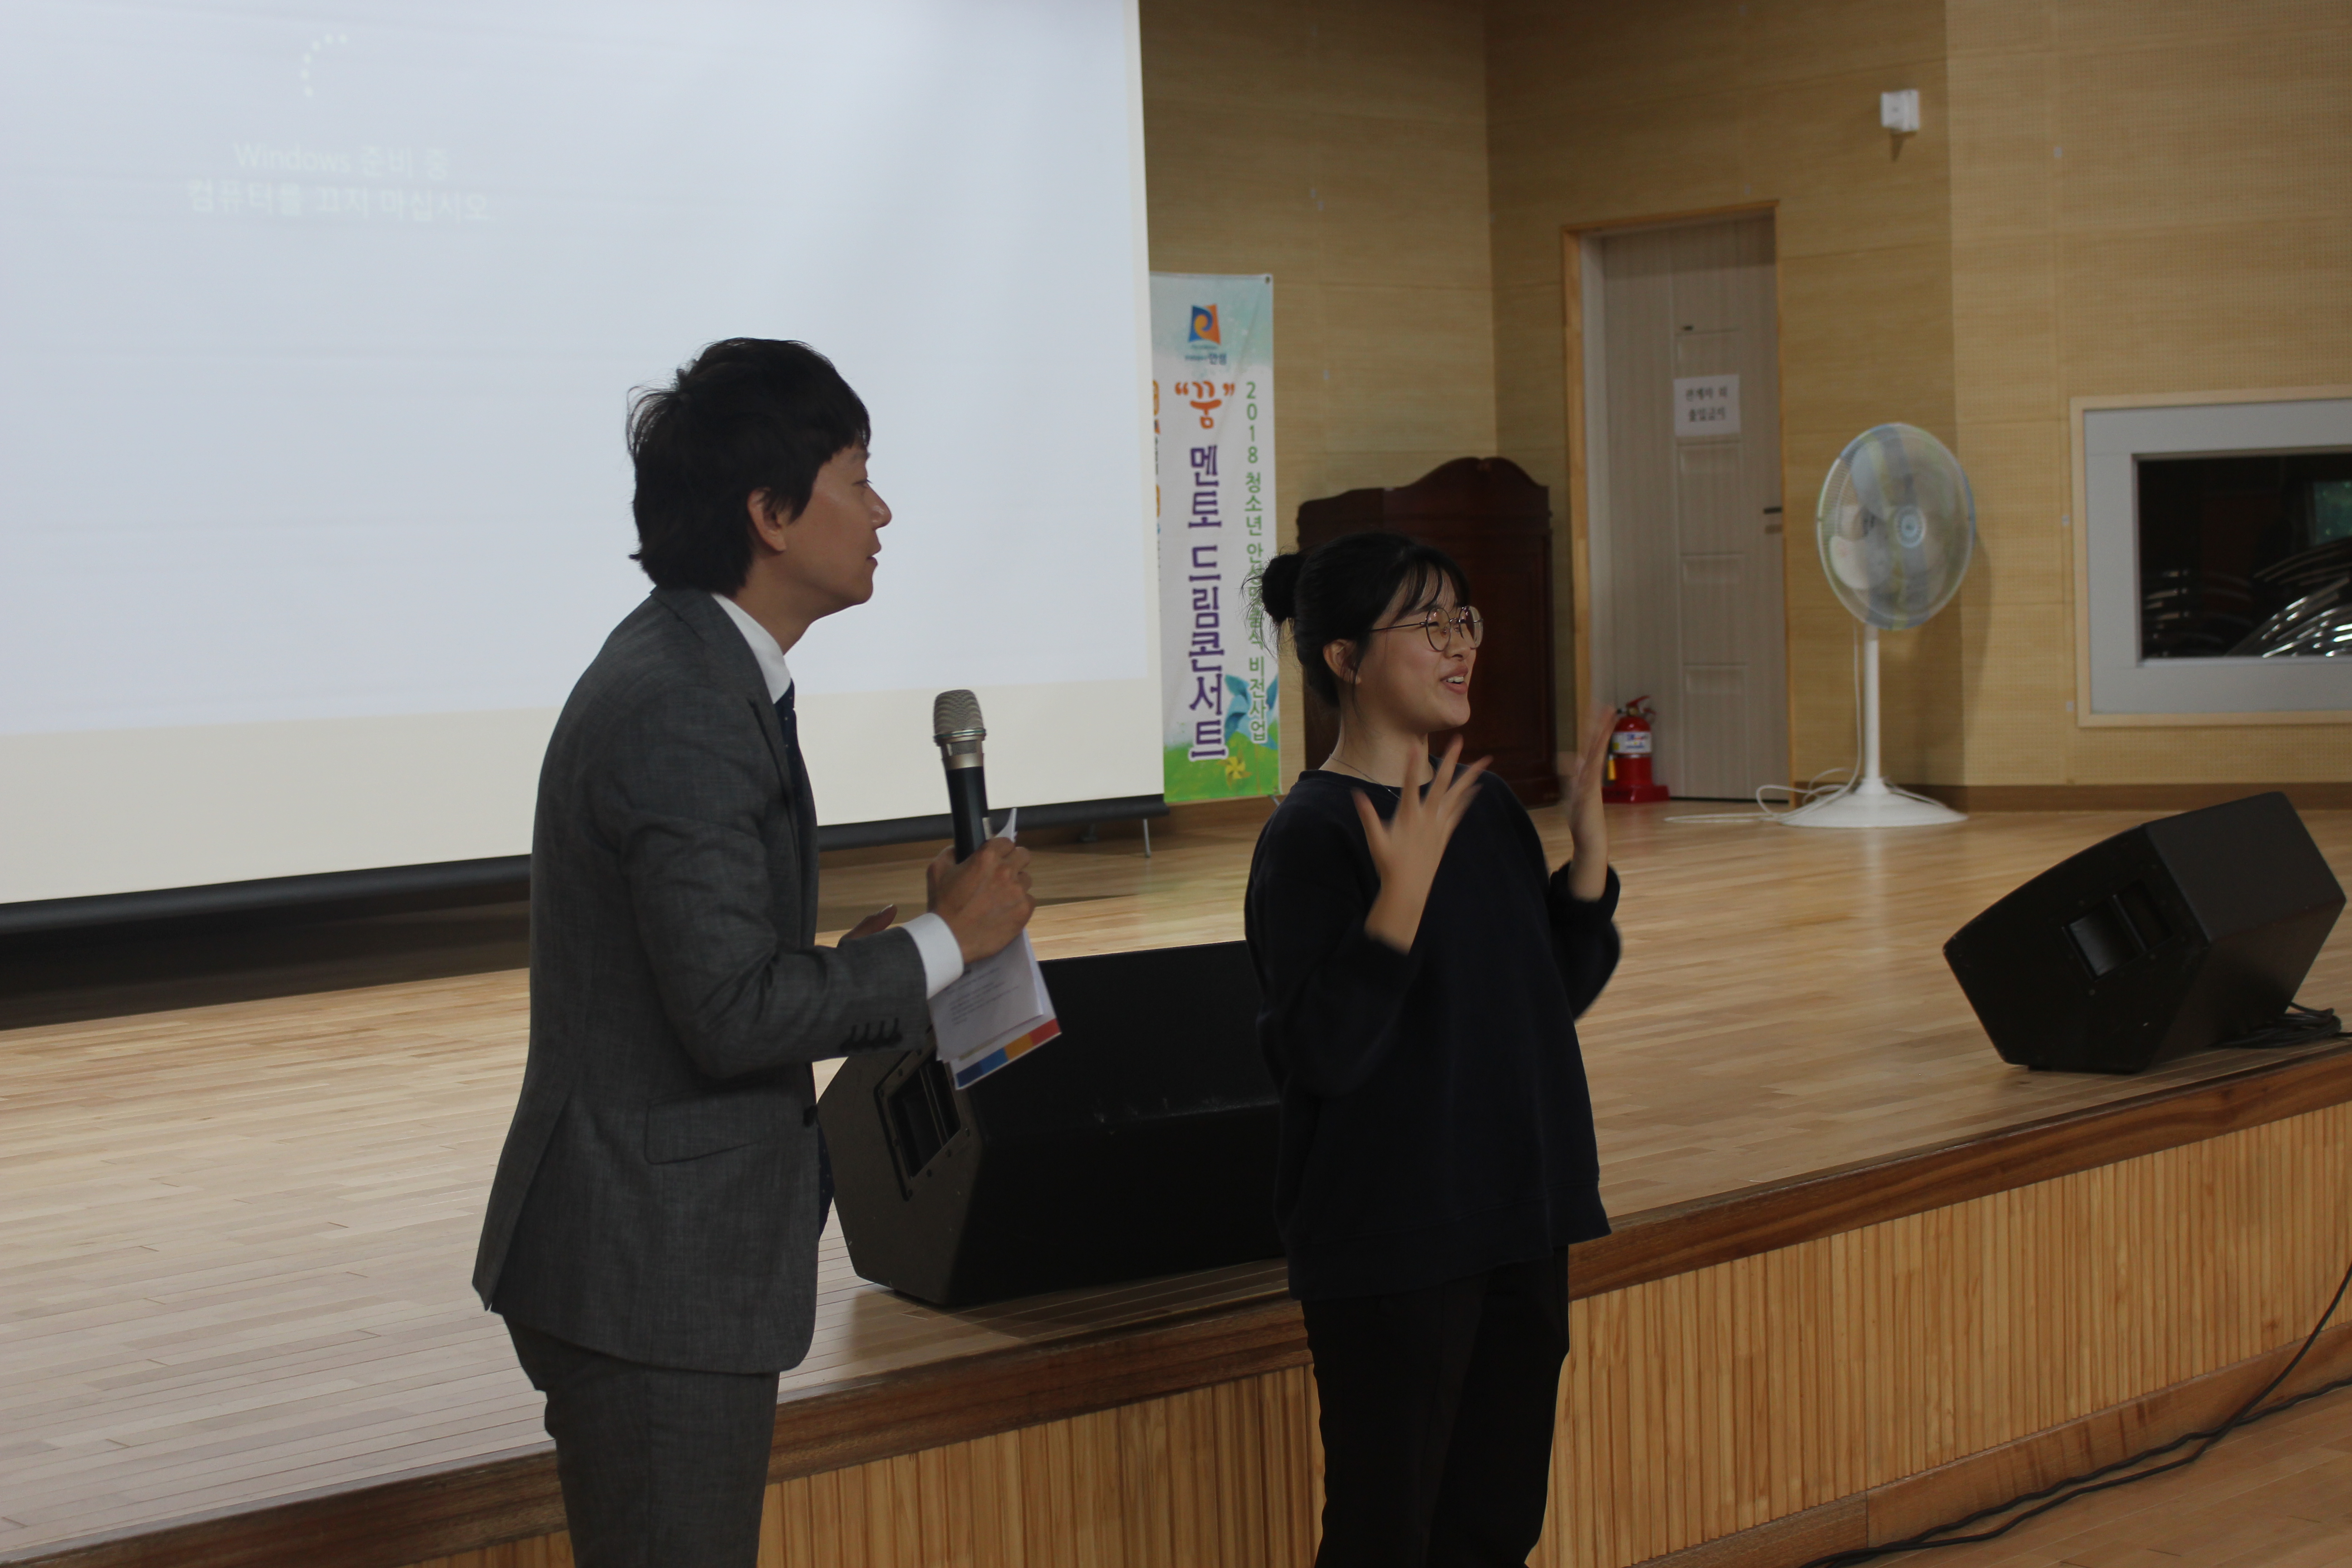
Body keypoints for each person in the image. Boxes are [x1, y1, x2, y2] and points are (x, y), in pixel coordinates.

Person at [471, 338, 1035, 1568]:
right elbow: (731, 1012)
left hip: (658, 1253)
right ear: (770, 515)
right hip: (650, 1265)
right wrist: (948, 941)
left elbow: (711, 967)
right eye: (858, 479)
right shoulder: (682, 700)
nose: (882, 512)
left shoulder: (703, 668)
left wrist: (881, 959)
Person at [1245, 531, 1619, 1568]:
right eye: (1429, 624)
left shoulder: (1484, 807)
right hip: (1394, 1240)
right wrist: (1397, 904)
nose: (1460, 645)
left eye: (1465, 619)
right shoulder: (1311, 836)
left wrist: (1588, 858)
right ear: (1346, 659)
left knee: (1496, 1527)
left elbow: (1545, 1001)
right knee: (1387, 1536)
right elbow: (1322, 1051)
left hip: (1519, 1212)